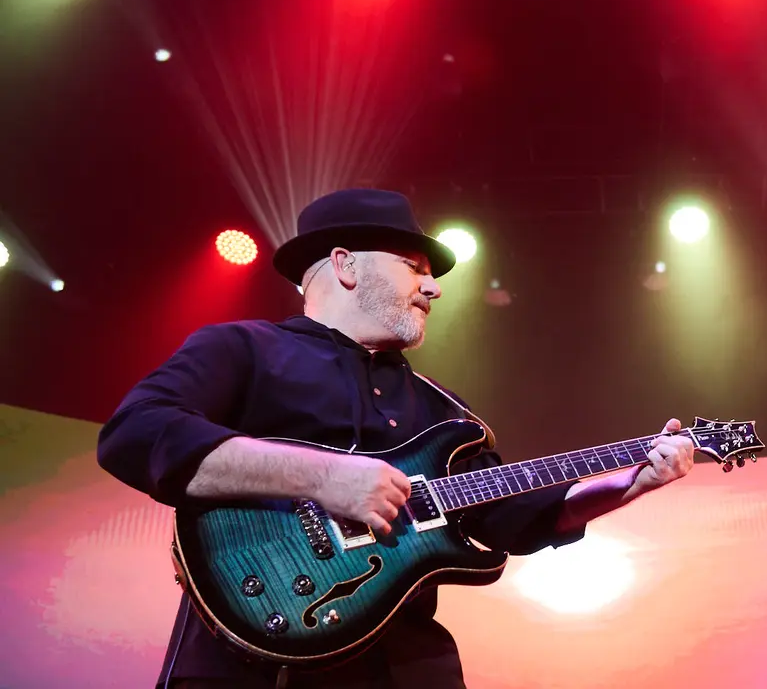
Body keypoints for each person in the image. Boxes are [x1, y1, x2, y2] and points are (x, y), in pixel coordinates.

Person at [96, 189, 696, 689]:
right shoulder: (243, 349)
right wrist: (325, 479)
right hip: (252, 652)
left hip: (406, 667)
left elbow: (508, 519)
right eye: (416, 267)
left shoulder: (444, 410)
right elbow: (136, 432)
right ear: (346, 265)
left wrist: (628, 482)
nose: (434, 289)